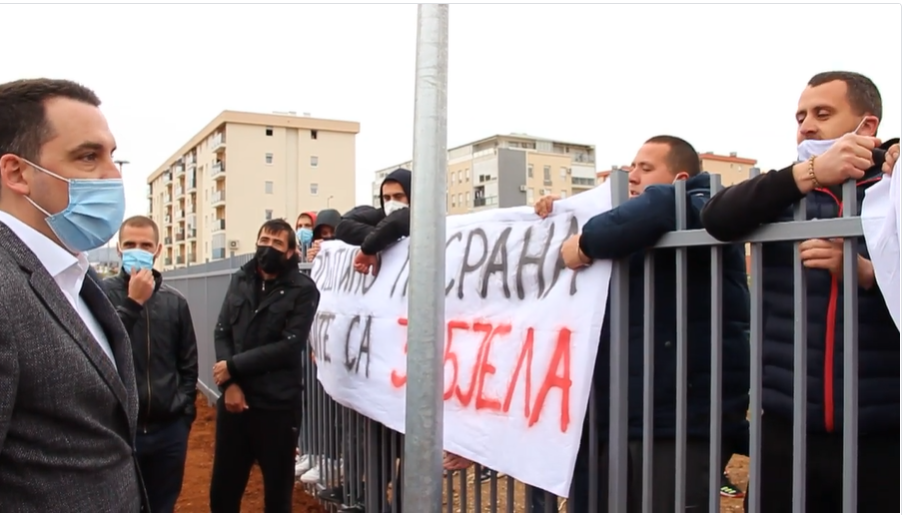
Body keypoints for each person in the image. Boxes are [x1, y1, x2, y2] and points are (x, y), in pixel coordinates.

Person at [701, 71, 900, 513]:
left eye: (823, 114)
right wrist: (809, 174)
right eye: (800, 116)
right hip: (786, 427)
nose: (807, 125)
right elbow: (716, 218)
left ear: (867, 125)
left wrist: (868, 274)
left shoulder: (892, 190)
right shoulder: (782, 193)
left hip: (882, 427)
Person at [537, 135, 751, 512]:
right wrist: (562, 213)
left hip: (679, 420)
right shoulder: (629, 228)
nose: (631, 176)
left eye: (645, 168)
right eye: (632, 166)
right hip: (614, 415)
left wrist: (585, 242)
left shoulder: (705, 207)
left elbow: (662, 206)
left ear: (681, 178)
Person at [0, 78, 143, 511]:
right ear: (17, 173)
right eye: (88, 156)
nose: (113, 175)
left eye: (112, 155)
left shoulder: (74, 270)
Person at [209, 218, 321, 513]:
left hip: (277, 408)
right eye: (264, 240)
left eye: (277, 243)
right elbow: (222, 331)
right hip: (234, 405)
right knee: (223, 492)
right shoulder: (240, 279)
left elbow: (289, 346)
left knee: (277, 496)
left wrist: (233, 367)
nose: (268, 247)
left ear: (290, 252)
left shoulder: (303, 290)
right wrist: (230, 385)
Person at [101, 215, 199, 513]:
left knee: (162, 505)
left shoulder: (175, 302)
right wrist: (132, 303)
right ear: (119, 248)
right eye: (130, 244)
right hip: (119, 432)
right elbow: (99, 352)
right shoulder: (101, 295)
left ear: (158, 250)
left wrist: (184, 414)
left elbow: (188, 364)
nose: (137, 250)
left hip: (168, 431)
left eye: (145, 245)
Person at [336, 167, 411, 274]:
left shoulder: (425, 216)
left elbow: (397, 221)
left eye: (398, 196)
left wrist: (370, 246)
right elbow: (343, 227)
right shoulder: (380, 214)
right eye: (386, 198)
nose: (391, 202)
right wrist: (379, 237)